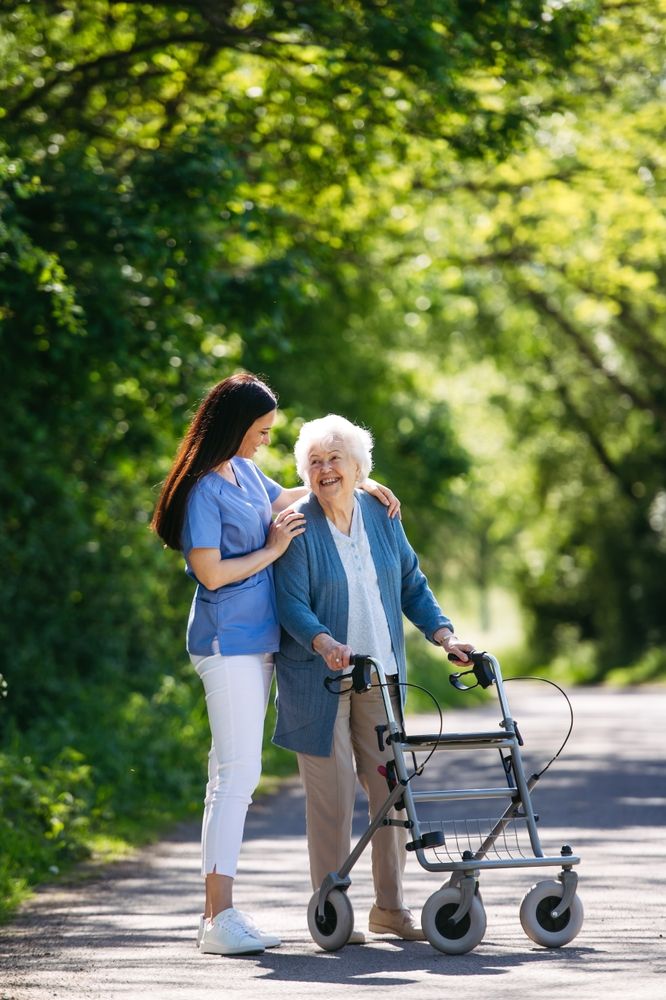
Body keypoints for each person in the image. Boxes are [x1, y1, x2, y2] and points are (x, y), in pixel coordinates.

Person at [150, 375, 400, 957]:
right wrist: (271, 551)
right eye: (260, 430)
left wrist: (364, 481)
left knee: (238, 772)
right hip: (227, 643)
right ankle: (218, 916)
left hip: (259, 644)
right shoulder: (202, 490)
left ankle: (222, 911)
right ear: (236, 425)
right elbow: (211, 572)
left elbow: (293, 495)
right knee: (234, 774)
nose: (265, 439)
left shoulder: (240, 473)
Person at [272, 414, 475, 943]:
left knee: (391, 788)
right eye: (314, 462)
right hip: (319, 679)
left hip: (379, 673)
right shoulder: (298, 523)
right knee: (334, 794)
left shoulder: (382, 515)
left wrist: (445, 636)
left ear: (359, 467)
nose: (324, 470)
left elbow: (411, 582)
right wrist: (324, 642)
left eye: (334, 458)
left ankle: (390, 908)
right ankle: (332, 905)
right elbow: (290, 603)